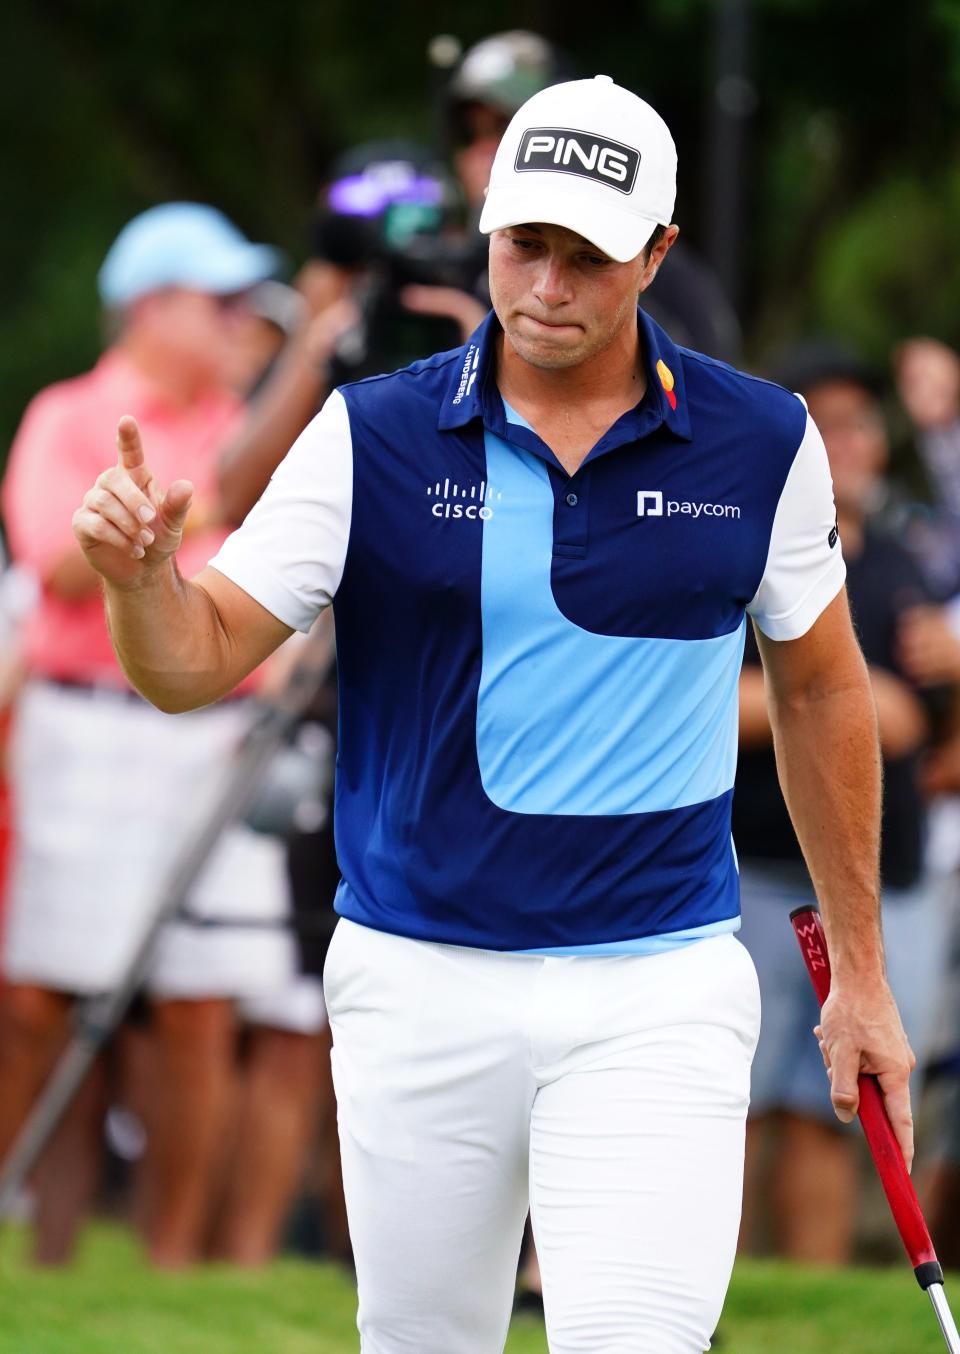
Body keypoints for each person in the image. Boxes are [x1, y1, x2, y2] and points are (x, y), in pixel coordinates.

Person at [72, 78, 913, 1352]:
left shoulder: (762, 440)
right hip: (418, 975)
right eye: (528, 245)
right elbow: (195, 661)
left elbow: (822, 683)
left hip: (659, 982)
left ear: (658, 255)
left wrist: (863, 973)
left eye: (591, 255)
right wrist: (143, 586)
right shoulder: (372, 433)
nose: (550, 286)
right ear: (490, 230)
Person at [0, 202, 326, 1267]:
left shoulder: (246, 424)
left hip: (212, 731)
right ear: (150, 305)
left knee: (199, 1005)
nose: (243, 317)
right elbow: (52, 555)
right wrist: (138, 534)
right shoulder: (68, 413)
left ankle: (173, 1267)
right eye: (218, 298)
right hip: (88, 729)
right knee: (44, 999)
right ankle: (41, 1254)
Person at [735, 343, 956, 1263]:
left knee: (835, 1109)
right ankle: (707, 1294)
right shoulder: (746, 544)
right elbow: (710, 695)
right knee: (732, 1108)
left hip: (883, 878)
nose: (852, 442)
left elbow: (931, 729)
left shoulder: (904, 558)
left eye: (862, 422)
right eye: (830, 422)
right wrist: (858, 708)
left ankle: (807, 1297)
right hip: (761, 871)